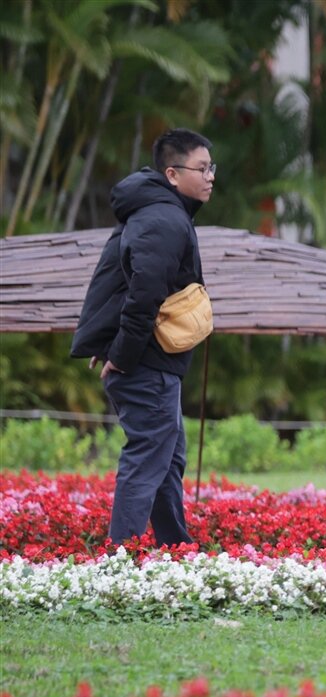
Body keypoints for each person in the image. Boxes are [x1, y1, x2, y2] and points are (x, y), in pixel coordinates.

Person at [70, 128, 214, 546]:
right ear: (172, 173)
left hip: (155, 362)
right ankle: (121, 558)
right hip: (146, 363)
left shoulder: (160, 213)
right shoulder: (163, 219)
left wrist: (111, 344)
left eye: (212, 168)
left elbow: (120, 284)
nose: (210, 177)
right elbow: (144, 293)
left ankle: (174, 546)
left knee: (166, 458)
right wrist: (123, 354)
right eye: (201, 168)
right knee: (149, 456)